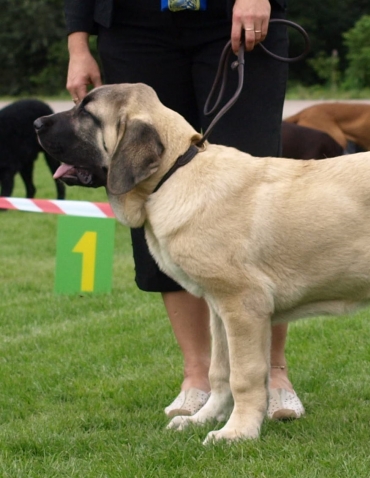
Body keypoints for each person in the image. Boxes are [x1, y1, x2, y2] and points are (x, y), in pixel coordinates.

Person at [64, 0, 305, 422]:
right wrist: (77, 43)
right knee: (145, 182)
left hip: (234, 17)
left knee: (255, 190)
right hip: (136, 25)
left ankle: (274, 374)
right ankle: (198, 376)